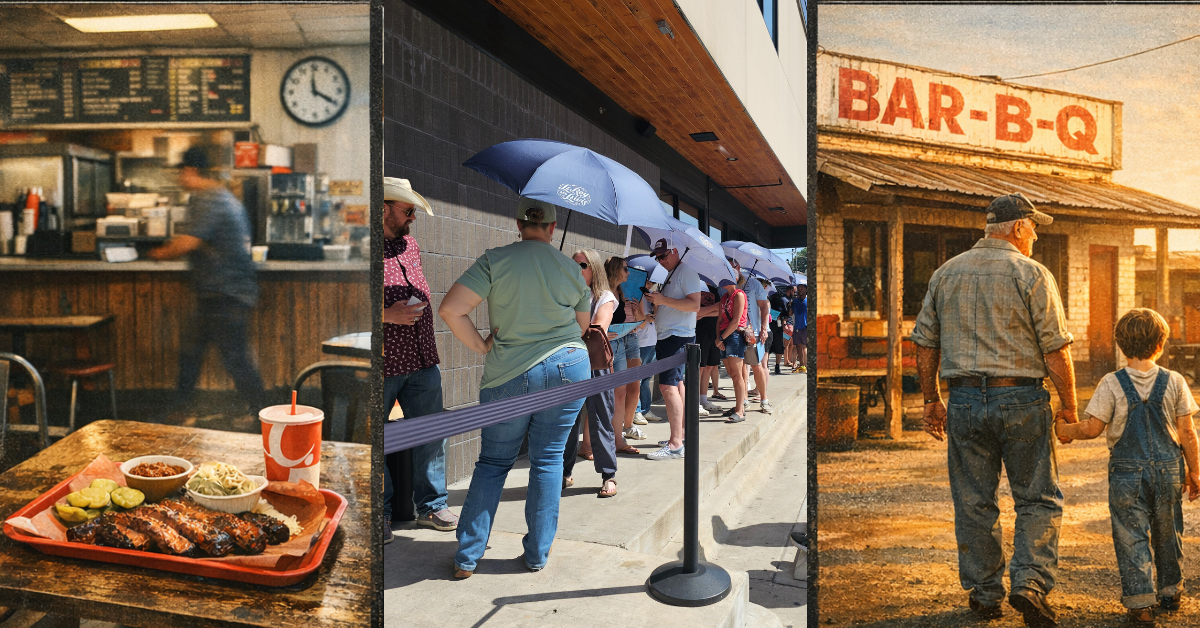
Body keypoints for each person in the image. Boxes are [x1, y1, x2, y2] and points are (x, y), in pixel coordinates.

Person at [912, 193, 1077, 626]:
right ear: (1019, 227)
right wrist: (1069, 408)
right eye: (1034, 226)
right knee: (1038, 498)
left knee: (973, 502)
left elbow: (925, 341)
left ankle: (985, 595)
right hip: (1022, 398)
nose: (1037, 235)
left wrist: (931, 399)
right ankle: (1030, 584)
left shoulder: (945, 273)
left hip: (964, 400)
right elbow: (1056, 349)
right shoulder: (1032, 273)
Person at [440, 197, 592, 578]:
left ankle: (467, 558)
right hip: (569, 366)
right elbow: (584, 326)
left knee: (493, 463)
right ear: (553, 229)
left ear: (518, 224)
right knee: (549, 459)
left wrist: (480, 345)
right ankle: (537, 554)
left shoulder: (495, 259)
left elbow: (451, 309)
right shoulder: (573, 268)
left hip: (508, 372)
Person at [1055, 309, 1200, 626]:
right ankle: (1170, 590)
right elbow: (1188, 432)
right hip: (1169, 469)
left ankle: (1140, 601)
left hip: (1126, 474)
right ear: (1161, 345)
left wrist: (1064, 429)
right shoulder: (1174, 381)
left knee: (1130, 534)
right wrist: (1195, 471)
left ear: (1120, 345)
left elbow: (1093, 428)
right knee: (1168, 531)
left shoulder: (1111, 383)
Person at [149, 146, 266, 415]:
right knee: (193, 352)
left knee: (236, 359)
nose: (180, 178)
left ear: (190, 171)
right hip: (222, 291)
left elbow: (188, 241)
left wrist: (159, 253)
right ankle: (181, 410)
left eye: (181, 172)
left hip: (226, 292)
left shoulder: (209, 198)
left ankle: (262, 416)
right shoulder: (221, 196)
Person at [377, 177, 451, 546]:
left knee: (430, 433)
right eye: (408, 211)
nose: (413, 218)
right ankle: (381, 514)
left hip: (422, 358)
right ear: (384, 208)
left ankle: (432, 506)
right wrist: (386, 315)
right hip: (383, 361)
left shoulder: (411, 245)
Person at [561, 249, 627, 498]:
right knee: (567, 421)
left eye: (583, 265)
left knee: (600, 419)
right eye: (574, 264)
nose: (577, 269)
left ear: (595, 268)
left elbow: (597, 327)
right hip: (569, 363)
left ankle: (608, 475)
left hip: (596, 365)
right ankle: (565, 472)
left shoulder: (605, 296)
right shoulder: (565, 293)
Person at [644, 235, 705, 461]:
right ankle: (679, 436)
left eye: (663, 256)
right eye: (657, 257)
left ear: (675, 251)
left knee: (668, 387)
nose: (660, 260)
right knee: (676, 386)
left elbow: (694, 305)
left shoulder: (686, 272)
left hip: (676, 337)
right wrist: (656, 302)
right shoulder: (673, 273)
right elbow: (675, 304)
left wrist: (662, 300)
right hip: (671, 336)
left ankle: (675, 444)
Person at [605, 256, 648, 444]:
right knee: (608, 392)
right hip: (609, 343)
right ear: (615, 270)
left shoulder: (621, 292)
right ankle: (607, 434)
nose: (628, 273)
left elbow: (643, 323)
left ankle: (623, 431)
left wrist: (637, 310)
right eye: (625, 269)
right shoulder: (603, 292)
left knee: (628, 389)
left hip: (625, 340)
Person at [729, 259, 773, 415]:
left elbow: (764, 305)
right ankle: (744, 400)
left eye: (732, 266)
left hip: (751, 332)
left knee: (757, 366)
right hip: (734, 333)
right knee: (741, 368)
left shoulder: (753, 283)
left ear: (738, 267)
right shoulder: (726, 285)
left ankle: (764, 399)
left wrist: (763, 329)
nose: (730, 269)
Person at [715, 277, 750, 423]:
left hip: (734, 336)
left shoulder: (739, 294)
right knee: (732, 373)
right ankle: (738, 406)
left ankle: (740, 410)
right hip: (724, 336)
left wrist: (721, 338)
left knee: (737, 374)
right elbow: (719, 320)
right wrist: (719, 339)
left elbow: (736, 321)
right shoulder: (724, 297)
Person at [634, 274, 662, 424]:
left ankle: (645, 409)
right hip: (641, 341)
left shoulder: (650, 296)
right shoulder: (635, 295)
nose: (650, 285)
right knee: (637, 379)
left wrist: (655, 304)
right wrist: (647, 318)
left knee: (646, 379)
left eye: (653, 282)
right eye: (648, 281)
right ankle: (636, 411)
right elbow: (640, 322)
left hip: (652, 341)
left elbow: (658, 317)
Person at [696, 284, 724, 416]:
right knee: (699, 368)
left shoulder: (714, 290)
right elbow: (696, 313)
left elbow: (720, 310)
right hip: (699, 332)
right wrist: (711, 310)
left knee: (709, 366)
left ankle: (703, 400)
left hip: (714, 332)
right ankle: (694, 402)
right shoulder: (695, 288)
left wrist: (705, 312)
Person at [769, 285, 793, 375]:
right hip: (777, 326)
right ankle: (777, 366)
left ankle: (772, 366)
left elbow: (786, 314)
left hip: (772, 325)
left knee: (771, 347)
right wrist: (784, 322)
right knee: (777, 346)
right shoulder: (782, 300)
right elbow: (786, 314)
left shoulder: (769, 300)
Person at [791, 283, 808, 373]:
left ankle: (806, 366)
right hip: (797, 327)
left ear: (806, 289)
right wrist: (789, 306)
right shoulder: (795, 301)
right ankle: (802, 366)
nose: (800, 289)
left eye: (802, 288)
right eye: (799, 288)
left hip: (806, 327)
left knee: (805, 346)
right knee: (798, 347)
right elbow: (790, 313)